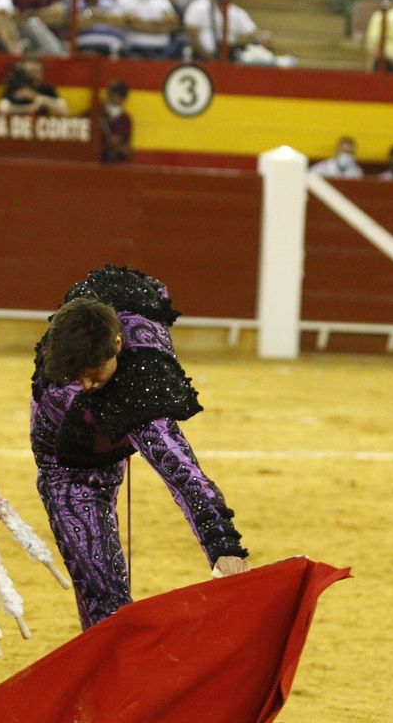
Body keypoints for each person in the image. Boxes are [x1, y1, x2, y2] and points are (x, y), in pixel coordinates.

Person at [30, 267, 248, 631]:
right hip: (66, 466)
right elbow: (53, 453)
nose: (85, 384)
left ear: (117, 345)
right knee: (105, 600)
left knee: (107, 606)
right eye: (76, 375)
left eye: (94, 373)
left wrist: (223, 545)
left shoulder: (141, 383)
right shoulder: (63, 366)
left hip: (106, 424)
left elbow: (179, 468)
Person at [183, 0, 260, 59]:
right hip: (201, 55)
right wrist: (207, 57)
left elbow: (252, 33)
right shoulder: (198, 7)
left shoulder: (237, 12)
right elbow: (192, 34)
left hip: (230, 55)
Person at [0, 53, 69, 113]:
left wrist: (39, 98)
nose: (36, 75)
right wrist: (28, 109)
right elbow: (4, 107)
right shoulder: (15, 86)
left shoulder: (46, 88)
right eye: (32, 71)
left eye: (38, 71)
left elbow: (64, 109)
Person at [100, 79, 132, 163]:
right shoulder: (98, 113)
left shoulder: (125, 119)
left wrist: (118, 144)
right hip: (99, 160)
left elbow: (127, 146)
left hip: (118, 162)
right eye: (112, 95)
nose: (115, 99)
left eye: (119, 97)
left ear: (123, 99)